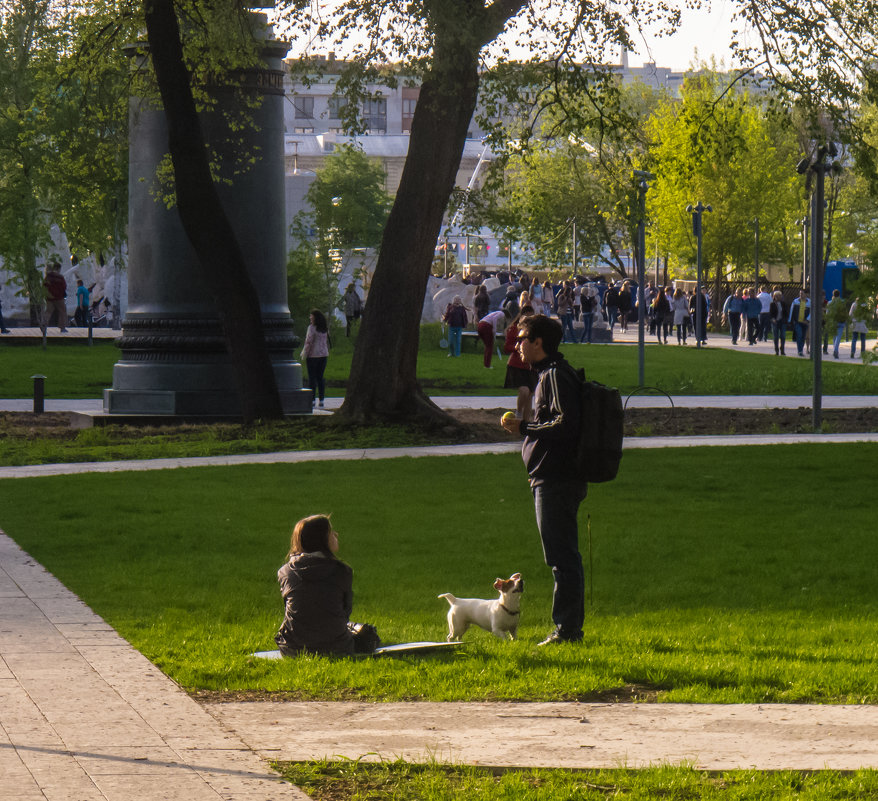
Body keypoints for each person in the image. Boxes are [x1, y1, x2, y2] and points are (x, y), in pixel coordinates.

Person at [500, 314, 586, 646]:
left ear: (538, 343)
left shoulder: (554, 376)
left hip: (557, 479)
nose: (516, 344)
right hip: (553, 477)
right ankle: (568, 629)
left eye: (521, 338)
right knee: (563, 557)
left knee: (562, 559)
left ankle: (566, 631)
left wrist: (524, 427)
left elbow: (566, 425)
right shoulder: (548, 375)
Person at [275, 515, 358, 656]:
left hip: (292, 648)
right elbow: (345, 611)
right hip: (337, 646)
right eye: (331, 532)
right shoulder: (342, 571)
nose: (335, 534)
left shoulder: (285, 572)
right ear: (322, 539)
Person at [503, 305, 537, 421]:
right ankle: (518, 412)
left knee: (530, 395)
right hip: (517, 364)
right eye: (527, 316)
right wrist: (517, 348)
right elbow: (507, 347)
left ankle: (526, 423)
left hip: (531, 366)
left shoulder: (535, 330)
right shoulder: (515, 329)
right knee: (524, 390)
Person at [300, 309, 330, 407]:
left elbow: (308, 342)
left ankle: (312, 399)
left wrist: (304, 353)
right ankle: (321, 399)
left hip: (313, 356)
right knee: (320, 377)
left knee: (312, 378)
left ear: (315, 317)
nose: (310, 317)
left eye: (311, 316)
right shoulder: (324, 328)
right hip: (324, 355)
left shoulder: (312, 328)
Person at [477, 303, 517, 368]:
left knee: (487, 346)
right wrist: (494, 330)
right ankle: (487, 365)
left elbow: (495, 320)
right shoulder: (502, 313)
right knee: (490, 346)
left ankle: (486, 364)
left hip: (480, 326)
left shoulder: (496, 313)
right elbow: (495, 319)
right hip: (486, 326)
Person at [42, 262, 68, 332]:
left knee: (48, 312)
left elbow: (44, 286)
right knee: (62, 311)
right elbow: (64, 287)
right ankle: (62, 328)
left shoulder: (48, 276)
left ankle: (44, 325)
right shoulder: (60, 277)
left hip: (49, 297)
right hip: (59, 298)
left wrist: (48, 294)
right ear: (59, 268)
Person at [825, 289, 847, 359]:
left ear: (833, 295)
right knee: (838, 337)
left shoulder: (830, 303)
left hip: (833, 321)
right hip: (841, 321)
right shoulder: (842, 302)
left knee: (834, 336)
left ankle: (835, 349)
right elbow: (845, 312)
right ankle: (836, 350)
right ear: (839, 294)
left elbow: (827, 313)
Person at [789, 289, 810, 357]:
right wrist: (790, 320)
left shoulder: (809, 302)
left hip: (805, 322)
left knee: (803, 336)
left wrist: (807, 320)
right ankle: (800, 350)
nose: (801, 295)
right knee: (799, 335)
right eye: (800, 293)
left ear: (806, 294)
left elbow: (812, 312)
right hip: (797, 321)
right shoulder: (796, 301)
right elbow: (791, 310)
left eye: (802, 293)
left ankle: (801, 348)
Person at [769, 291, 788, 355]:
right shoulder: (772, 304)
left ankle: (782, 349)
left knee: (783, 336)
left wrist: (785, 320)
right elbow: (771, 314)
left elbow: (786, 313)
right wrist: (773, 319)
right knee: (776, 336)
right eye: (777, 296)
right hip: (775, 322)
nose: (779, 297)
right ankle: (776, 350)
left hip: (782, 322)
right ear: (774, 297)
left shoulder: (783, 304)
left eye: (780, 296)